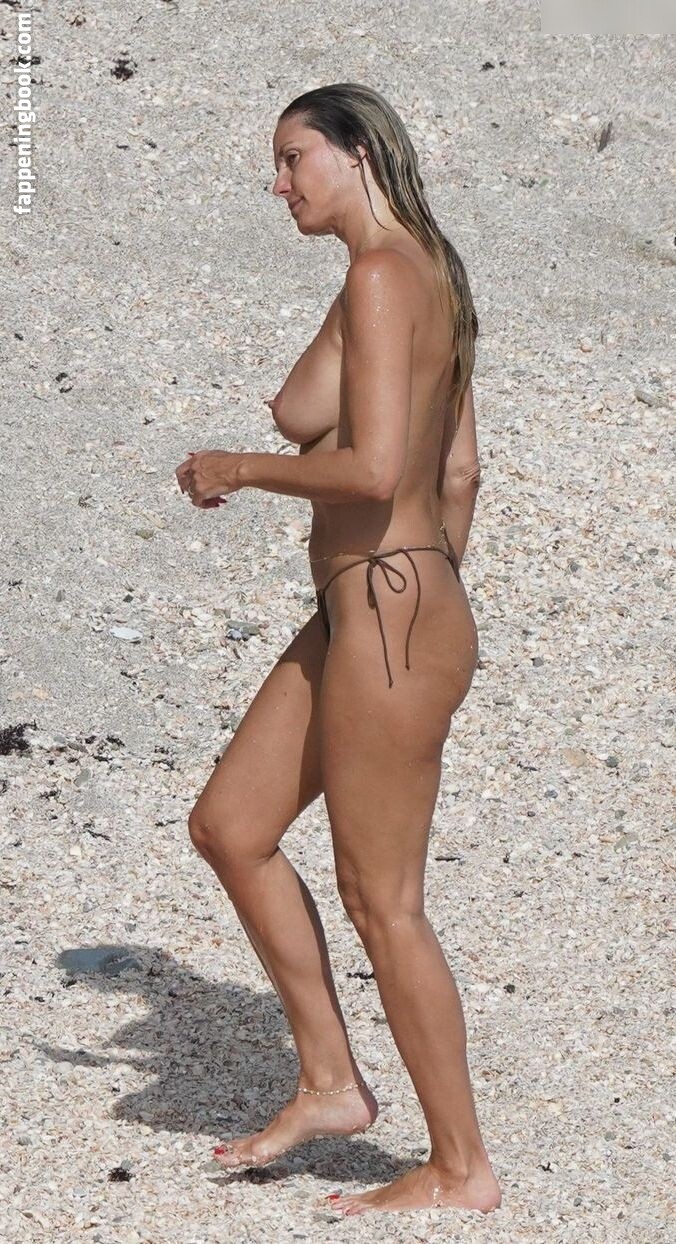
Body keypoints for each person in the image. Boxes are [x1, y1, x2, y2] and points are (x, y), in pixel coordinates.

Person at [175, 83, 501, 1217]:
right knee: (231, 824)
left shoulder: (383, 276)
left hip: (388, 617)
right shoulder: (421, 272)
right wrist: (424, 590)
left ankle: (460, 1167)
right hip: (384, 610)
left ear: (357, 151)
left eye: (293, 158)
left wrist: (238, 471)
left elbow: (370, 469)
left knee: (382, 899)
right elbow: (435, 462)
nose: (277, 184)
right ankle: (328, 1083)